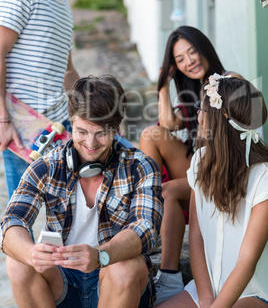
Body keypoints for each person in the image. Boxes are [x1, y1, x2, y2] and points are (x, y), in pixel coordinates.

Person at [0, 74, 164, 308]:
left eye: (101, 133)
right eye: (82, 132)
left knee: (126, 268)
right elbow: (11, 220)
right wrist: (30, 253)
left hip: (112, 277)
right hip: (63, 281)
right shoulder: (48, 164)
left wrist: (100, 255)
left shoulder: (141, 167)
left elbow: (146, 228)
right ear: (71, 121)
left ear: (117, 129)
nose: (90, 143)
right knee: (18, 263)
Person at [139, 26, 240, 305]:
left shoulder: (230, 81)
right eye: (180, 59)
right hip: (202, 168)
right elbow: (168, 124)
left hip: (227, 172)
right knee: (151, 134)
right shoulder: (189, 93)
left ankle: (169, 275)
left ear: (204, 48)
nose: (189, 61)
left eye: (192, 52)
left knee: (169, 191)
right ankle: (146, 209)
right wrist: (163, 83)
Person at [0, 0, 101, 200]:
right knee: (21, 210)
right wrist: (2, 119)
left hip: (58, 124)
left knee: (66, 206)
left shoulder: (64, 7)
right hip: (24, 125)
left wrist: (95, 104)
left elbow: (67, 71)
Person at [156, 74, 268, 307]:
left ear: (218, 119)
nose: (197, 114)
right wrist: (206, 297)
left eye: (201, 108)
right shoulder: (199, 161)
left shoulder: (263, 177)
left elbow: (247, 259)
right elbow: (196, 236)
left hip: (251, 291)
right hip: (206, 286)